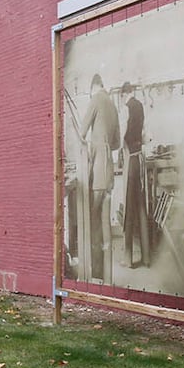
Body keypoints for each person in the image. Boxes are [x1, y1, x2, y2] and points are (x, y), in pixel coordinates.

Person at [78, 73, 120, 280]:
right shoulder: (113, 105)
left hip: (98, 169)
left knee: (92, 220)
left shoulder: (96, 99)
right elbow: (117, 143)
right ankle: (107, 275)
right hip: (109, 170)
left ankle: (94, 273)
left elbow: (81, 131)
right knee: (104, 221)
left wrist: (90, 147)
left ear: (93, 87)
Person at [121, 87, 151, 268]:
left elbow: (122, 135)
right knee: (141, 208)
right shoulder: (140, 106)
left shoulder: (126, 108)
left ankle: (128, 259)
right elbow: (146, 136)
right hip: (140, 160)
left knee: (129, 211)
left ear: (125, 94)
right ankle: (147, 258)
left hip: (131, 161)